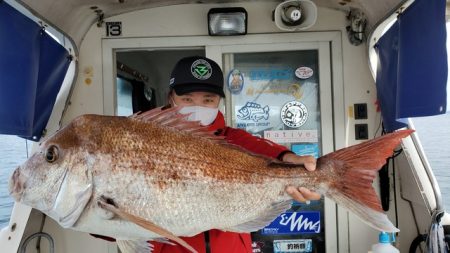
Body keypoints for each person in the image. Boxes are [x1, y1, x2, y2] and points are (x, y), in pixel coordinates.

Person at [151, 56, 321, 253]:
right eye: (187, 99)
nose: (198, 107)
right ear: (170, 98)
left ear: (219, 102)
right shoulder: (147, 140)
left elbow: (257, 146)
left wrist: (287, 157)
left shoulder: (231, 138)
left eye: (208, 100)